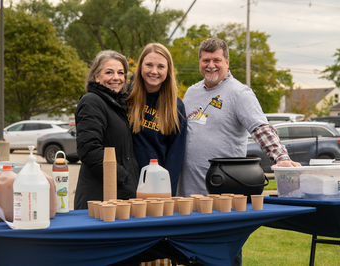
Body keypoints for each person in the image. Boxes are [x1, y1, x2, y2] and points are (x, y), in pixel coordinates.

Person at [177, 37, 301, 265]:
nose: (211, 65)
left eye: (216, 60)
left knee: (224, 257)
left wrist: (281, 157)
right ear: (199, 62)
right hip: (190, 196)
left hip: (224, 195)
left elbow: (261, 128)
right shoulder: (191, 93)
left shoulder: (240, 93)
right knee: (191, 257)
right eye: (206, 60)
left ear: (227, 61)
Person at [74, 50, 140, 210]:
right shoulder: (92, 102)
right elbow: (89, 150)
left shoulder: (117, 105)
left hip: (120, 195)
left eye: (121, 73)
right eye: (109, 72)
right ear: (96, 76)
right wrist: (124, 178)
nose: (116, 77)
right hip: (99, 199)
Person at [127, 43, 187, 197]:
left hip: (153, 187)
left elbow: (175, 157)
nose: (154, 71)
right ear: (140, 67)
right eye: (149, 65)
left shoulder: (176, 107)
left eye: (161, 66)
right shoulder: (125, 95)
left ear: (168, 71)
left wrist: (167, 195)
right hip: (123, 181)